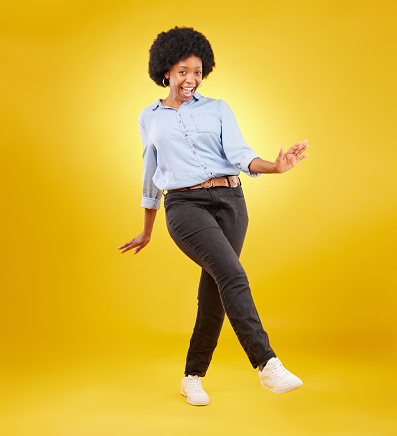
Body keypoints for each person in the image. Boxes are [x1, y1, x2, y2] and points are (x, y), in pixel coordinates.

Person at [118, 26, 309, 406]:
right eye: (183, 70)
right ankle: (267, 364)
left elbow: (239, 153)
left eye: (198, 71)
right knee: (233, 274)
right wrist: (147, 228)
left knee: (216, 289)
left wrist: (273, 166)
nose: (191, 78)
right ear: (166, 70)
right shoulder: (149, 117)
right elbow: (150, 173)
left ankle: (192, 376)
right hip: (184, 206)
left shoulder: (218, 108)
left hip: (231, 201)